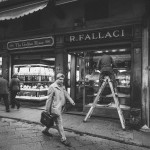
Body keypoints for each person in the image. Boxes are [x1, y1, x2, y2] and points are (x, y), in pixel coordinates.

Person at [42, 73, 75, 147]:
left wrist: (71, 100)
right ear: (56, 79)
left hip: (60, 108)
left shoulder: (62, 86)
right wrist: (47, 110)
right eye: (60, 79)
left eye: (63, 79)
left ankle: (45, 130)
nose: (62, 81)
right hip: (55, 109)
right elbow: (49, 99)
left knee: (52, 120)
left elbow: (66, 94)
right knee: (59, 123)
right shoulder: (52, 87)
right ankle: (63, 139)